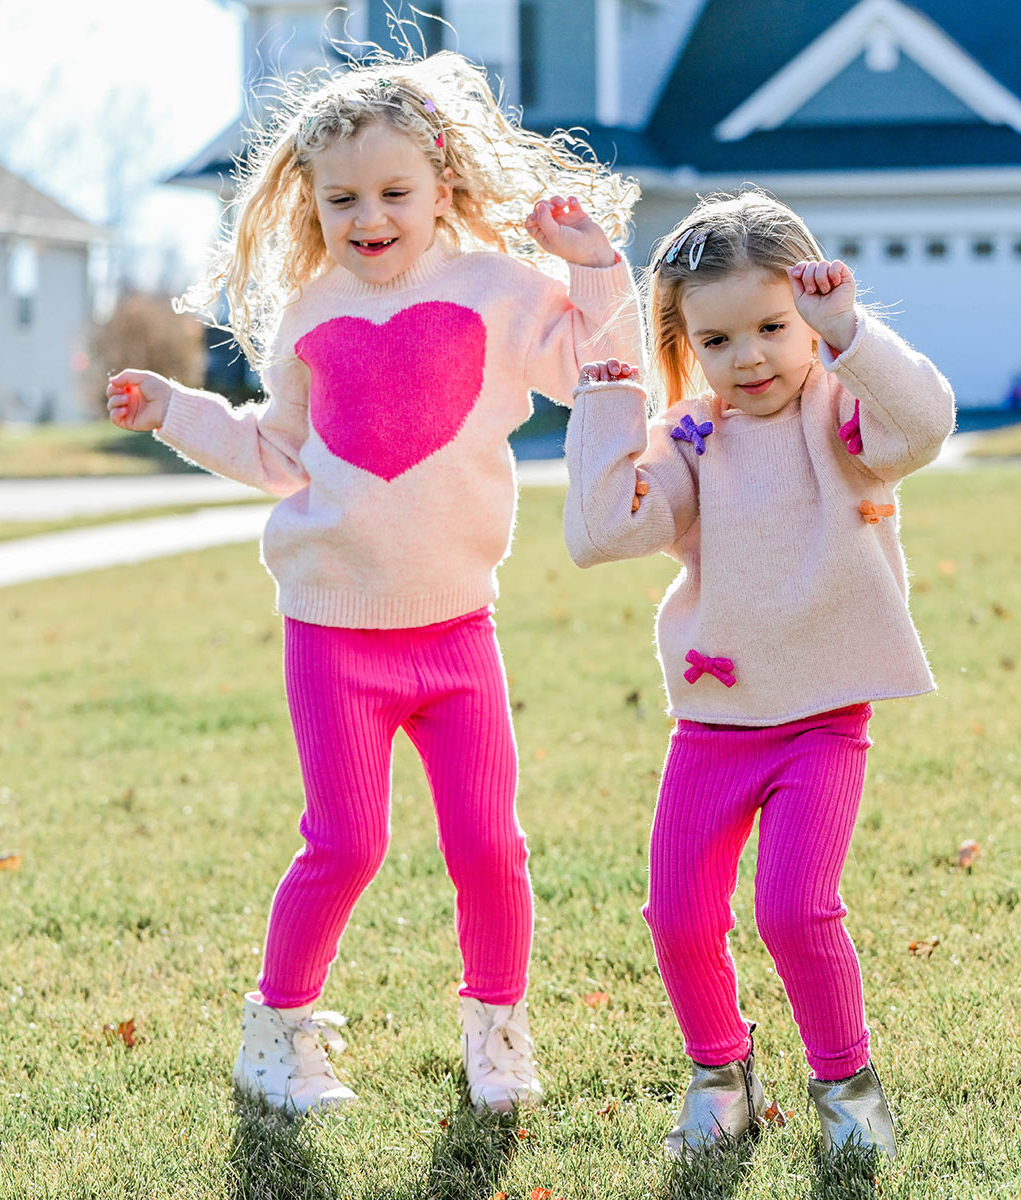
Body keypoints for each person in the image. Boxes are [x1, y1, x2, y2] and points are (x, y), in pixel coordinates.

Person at [106, 49, 640, 1117]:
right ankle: (276, 1034)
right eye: (343, 198)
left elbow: (601, 364)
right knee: (346, 844)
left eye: (395, 191)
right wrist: (175, 408)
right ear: (311, 199)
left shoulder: (497, 291)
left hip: (458, 632)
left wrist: (593, 264)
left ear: (443, 184)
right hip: (334, 631)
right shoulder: (312, 313)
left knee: (489, 845)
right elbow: (277, 452)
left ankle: (497, 1028)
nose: (370, 217)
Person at [562, 191, 954, 1161]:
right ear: (687, 345)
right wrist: (608, 408)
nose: (750, 357)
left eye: (773, 327)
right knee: (677, 913)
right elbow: (601, 532)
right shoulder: (693, 439)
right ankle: (719, 1075)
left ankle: (848, 1088)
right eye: (719, 339)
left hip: (822, 719)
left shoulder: (845, 414)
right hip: (715, 725)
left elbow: (926, 425)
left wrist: (849, 333)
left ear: (805, 314)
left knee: (794, 908)